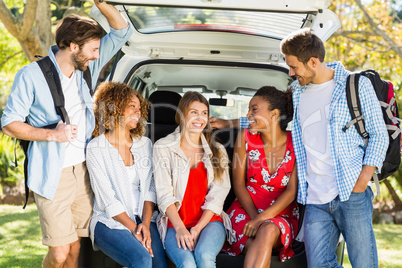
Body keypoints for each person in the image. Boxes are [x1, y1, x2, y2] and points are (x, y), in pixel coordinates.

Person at [212, 28, 389, 267]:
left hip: (350, 191)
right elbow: (268, 120)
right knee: (318, 265)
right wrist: (227, 123)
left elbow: (379, 135)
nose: (290, 72)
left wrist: (362, 180)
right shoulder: (297, 92)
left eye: (294, 67)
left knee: (364, 263)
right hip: (315, 198)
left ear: (313, 62)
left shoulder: (356, 85)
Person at [0, 1, 133, 267]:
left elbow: (122, 32)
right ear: (74, 47)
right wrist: (53, 135)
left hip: (83, 172)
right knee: (59, 252)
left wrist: (101, 4)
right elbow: (8, 123)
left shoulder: (86, 68)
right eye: (93, 49)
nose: (97, 56)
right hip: (53, 174)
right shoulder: (31, 76)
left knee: (75, 250)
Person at [86, 82, 167, 268]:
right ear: (114, 107)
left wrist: (145, 225)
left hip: (143, 218)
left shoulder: (144, 144)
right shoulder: (96, 148)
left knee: (159, 265)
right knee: (141, 260)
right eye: (132, 106)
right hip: (109, 221)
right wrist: (134, 229)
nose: (138, 112)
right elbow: (108, 201)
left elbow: (149, 189)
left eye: (140, 108)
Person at [221, 86, 299, 267]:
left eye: (254, 109)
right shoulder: (245, 137)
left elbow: (291, 191)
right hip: (245, 210)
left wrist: (260, 220)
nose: (248, 114)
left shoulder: (296, 142)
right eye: (249, 109)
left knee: (268, 230)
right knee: (260, 240)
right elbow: (239, 184)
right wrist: (254, 217)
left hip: (281, 212)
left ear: (274, 114)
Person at [153, 91, 232, 268]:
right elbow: (164, 194)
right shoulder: (163, 147)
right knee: (187, 264)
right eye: (194, 112)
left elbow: (218, 196)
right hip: (174, 223)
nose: (200, 118)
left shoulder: (218, 150)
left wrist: (197, 228)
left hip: (209, 221)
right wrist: (181, 228)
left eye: (204, 113)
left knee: (204, 256)